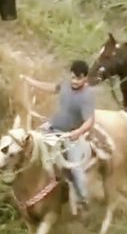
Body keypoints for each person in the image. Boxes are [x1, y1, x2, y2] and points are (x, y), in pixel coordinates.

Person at [20, 60, 95, 211]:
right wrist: (31, 82)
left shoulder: (86, 96)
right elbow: (52, 88)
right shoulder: (66, 85)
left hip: (70, 136)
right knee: (29, 143)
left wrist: (77, 132)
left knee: (76, 170)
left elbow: (90, 121)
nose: (74, 81)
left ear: (85, 78)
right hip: (52, 127)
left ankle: (83, 199)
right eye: (72, 77)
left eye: (78, 78)